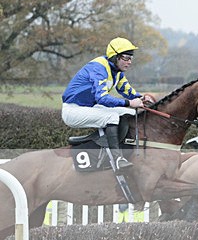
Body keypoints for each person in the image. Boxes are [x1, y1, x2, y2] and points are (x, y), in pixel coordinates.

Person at [62, 37, 155, 171]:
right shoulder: (98, 68)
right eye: (126, 58)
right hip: (73, 110)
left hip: (89, 107)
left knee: (128, 113)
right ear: (115, 57)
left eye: (131, 58)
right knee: (112, 117)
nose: (129, 62)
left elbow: (127, 90)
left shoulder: (117, 72)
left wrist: (141, 98)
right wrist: (129, 102)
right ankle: (117, 159)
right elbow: (102, 98)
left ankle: (126, 148)